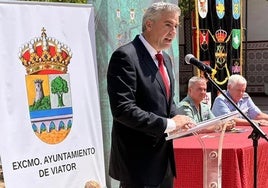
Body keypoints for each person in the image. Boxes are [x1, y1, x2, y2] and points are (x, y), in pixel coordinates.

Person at [107, 2, 194, 188]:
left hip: (164, 162)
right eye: (168, 24)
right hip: (138, 164)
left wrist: (187, 121)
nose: (173, 31)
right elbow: (123, 109)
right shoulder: (126, 57)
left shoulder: (166, 59)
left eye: (176, 26)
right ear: (149, 24)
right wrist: (170, 124)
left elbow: (166, 104)